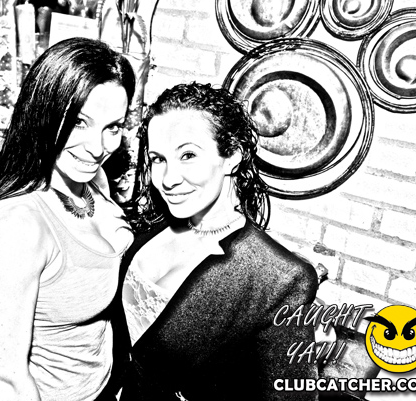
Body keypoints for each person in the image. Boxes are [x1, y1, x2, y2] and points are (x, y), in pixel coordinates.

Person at [118, 82, 319, 400]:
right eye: (158, 159)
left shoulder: (280, 279)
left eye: (188, 155)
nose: (168, 179)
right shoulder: (146, 227)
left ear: (232, 156)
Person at [0, 37, 136, 401]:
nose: (97, 148)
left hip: (105, 388)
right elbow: (6, 379)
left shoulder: (92, 178)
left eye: (112, 127)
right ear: (44, 114)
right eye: (79, 123)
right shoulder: (16, 224)